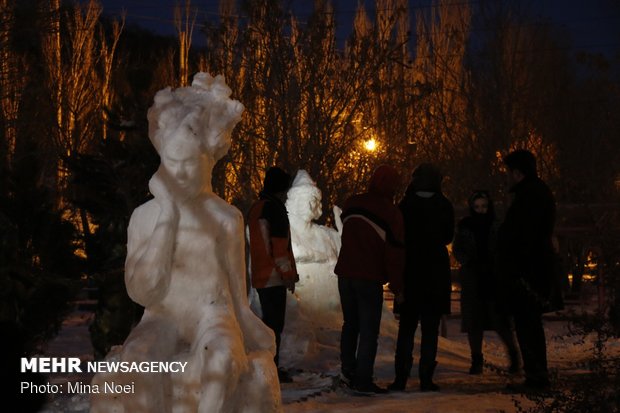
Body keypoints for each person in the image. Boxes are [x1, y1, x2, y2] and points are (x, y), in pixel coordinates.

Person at [91, 73, 282, 413]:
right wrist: (167, 215)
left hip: (213, 313)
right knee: (138, 363)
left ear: (209, 161)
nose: (178, 174)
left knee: (220, 361)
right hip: (161, 316)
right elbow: (142, 293)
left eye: (189, 164)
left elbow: (238, 294)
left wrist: (248, 327)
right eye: (171, 163)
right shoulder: (145, 217)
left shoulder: (226, 219)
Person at [334, 164, 405, 395]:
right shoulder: (391, 213)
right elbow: (394, 253)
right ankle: (363, 379)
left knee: (350, 325)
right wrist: (397, 286)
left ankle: (347, 371)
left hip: (345, 274)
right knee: (368, 330)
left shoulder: (352, 203)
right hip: (368, 276)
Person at [389, 163, 454, 392]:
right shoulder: (444, 205)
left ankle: (401, 377)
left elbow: (395, 237)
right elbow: (448, 236)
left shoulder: (405, 205)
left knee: (406, 328)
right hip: (435, 272)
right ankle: (426, 377)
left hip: (411, 270)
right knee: (430, 329)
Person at [497, 149, 557, 392]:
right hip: (531, 269)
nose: (506, 177)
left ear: (517, 172)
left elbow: (522, 236)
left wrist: (514, 265)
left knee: (527, 324)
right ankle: (536, 374)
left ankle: (536, 377)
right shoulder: (536, 193)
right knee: (528, 323)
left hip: (526, 272)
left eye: (508, 172)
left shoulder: (529, 197)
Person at [452, 190, 520, 375]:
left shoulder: (497, 226)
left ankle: (514, 357)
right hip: (474, 278)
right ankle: (477, 360)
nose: (481, 210)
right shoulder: (466, 226)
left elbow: (505, 249)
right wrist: (469, 261)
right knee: (475, 323)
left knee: (499, 321)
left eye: (483, 206)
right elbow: (458, 249)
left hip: (493, 278)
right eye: (477, 207)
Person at [247, 166, 299, 383]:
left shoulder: (256, 207)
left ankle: (269, 366)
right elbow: (279, 247)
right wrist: (287, 274)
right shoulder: (274, 209)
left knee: (268, 324)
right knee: (274, 326)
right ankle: (271, 369)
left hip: (259, 273)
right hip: (273, 277)